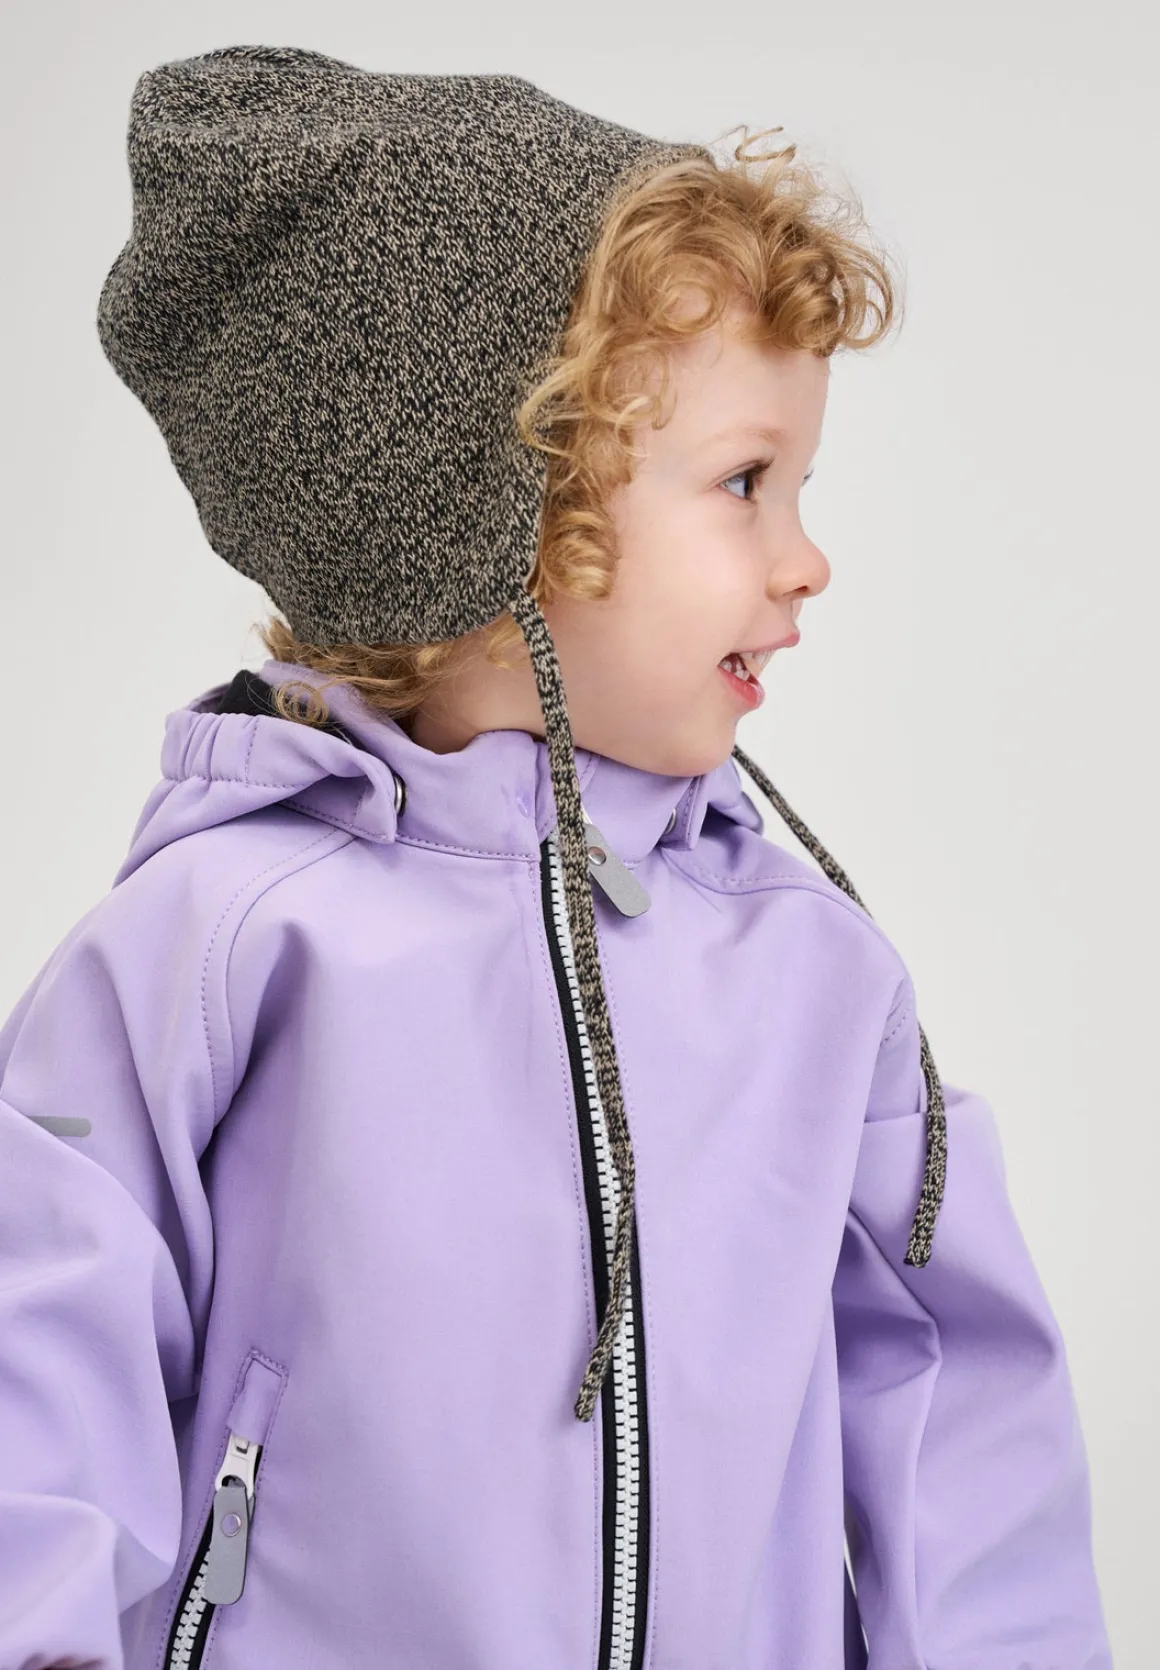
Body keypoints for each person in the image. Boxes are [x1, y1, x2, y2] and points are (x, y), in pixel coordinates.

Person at [0, 42, 1112, 1670]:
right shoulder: (224, 938)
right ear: (497, 504)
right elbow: (39, 1361)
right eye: (745, 483)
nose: (807, 559)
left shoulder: (818, 975)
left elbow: (966, 1427)